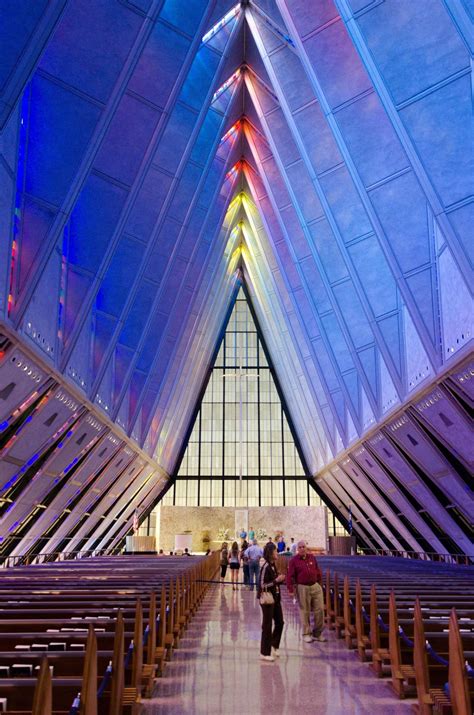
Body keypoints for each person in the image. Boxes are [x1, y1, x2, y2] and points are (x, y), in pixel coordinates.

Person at [287, 541, 326, 643]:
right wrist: (291, 590)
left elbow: (317, 570)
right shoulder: (294, 561)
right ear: (297, 549)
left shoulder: (312, 557)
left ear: (306, 548)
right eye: (300, 547)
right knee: (305, 611)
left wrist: (319, 583)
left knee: (320, 609)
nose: (302, 549)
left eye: (304, 547)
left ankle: (317, 633)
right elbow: (289, 576)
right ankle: (306, 634)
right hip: (302, 587)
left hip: (315, 586)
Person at [258, 542, 286, 661]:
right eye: (275, 551)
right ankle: (264, 653)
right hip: (267, 599)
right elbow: (262, 585)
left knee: (280, 622)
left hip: (276, 598)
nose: (277, 553)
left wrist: (280, 579)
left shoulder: (274, 565)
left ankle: (274, 645)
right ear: (270, 553)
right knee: (267, 625)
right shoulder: (265, 566)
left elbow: (274, 581)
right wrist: (276, 581)